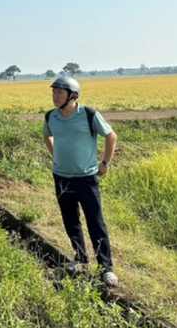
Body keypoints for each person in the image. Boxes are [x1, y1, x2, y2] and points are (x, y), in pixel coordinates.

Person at [42, 76, 119, 287]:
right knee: (70, 220)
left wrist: (105, 162)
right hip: (61, 177)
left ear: (72, 95)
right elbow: (46, 135)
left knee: (95, 222)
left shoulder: (88, 114)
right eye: (53, 92)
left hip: (86, 178)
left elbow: (110, 136)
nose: (55, 96)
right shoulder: (51, 117)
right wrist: (55, 155)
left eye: (59, 92)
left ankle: (106, 268)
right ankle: (80, 258)